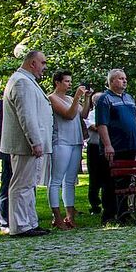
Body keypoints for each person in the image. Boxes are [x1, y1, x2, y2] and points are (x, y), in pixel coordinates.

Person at [1, 50, 53, 237]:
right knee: (21, 184)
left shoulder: (26, 80)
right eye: (43, 63)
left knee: (28, 184)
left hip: (29, 144)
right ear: (32, 63)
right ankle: (21, 225)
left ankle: (30, 222)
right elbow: (27, 116)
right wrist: (35, 141)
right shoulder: (21, 82)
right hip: (26, 145)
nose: (44, 68)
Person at [96, 68, 136, 225]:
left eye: (125, 78)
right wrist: (108, 145)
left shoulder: (129, 98)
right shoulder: (104, 99)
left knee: (126, 182)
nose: (124, 81)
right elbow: (102, 124)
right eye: (121, 78)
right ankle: (108, 214)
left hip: (130, 146)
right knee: (109, 181)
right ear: (112, 81)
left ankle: (124, 212)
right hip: (114, 146)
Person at [47, 71, 91, 229]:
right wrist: (78, 97)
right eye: (66, 81)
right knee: (56, 180)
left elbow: (83, 114)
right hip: (61, 142)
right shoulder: (52, 98)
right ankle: (57, 216)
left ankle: (70, 216)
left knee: (70, 181)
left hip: (76, 141)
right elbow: (69, 115)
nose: (69, 84)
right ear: (57, 83)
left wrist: (86, 98)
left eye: (70, 81)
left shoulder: (70, 98)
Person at [84, 92, 104, 215]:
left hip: (106, 147)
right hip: (95, 147)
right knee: (95, 177)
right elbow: (95, 127)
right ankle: (95, 205)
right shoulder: (91, 114)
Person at [0, 98, 12, 233]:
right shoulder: (2, 104)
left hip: (17, 148)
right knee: (7, 183)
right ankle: (3, 220)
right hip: (7, 147)